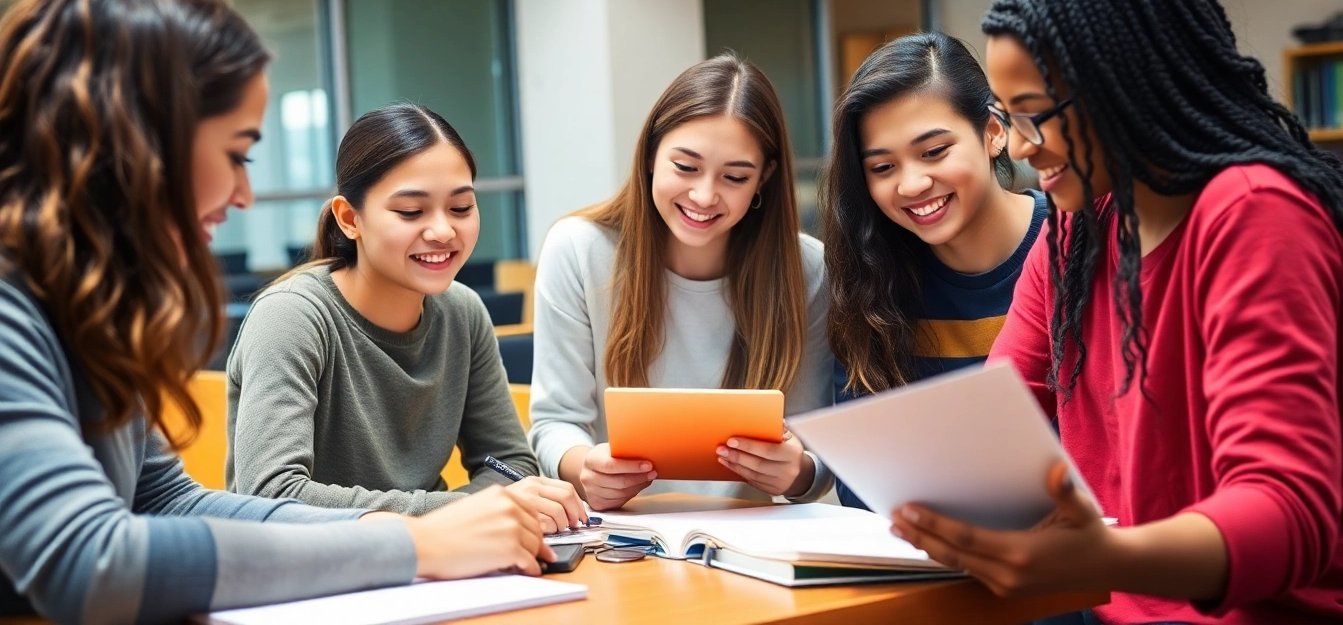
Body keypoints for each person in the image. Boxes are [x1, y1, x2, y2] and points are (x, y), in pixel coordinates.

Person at [0, 0, 556, 625]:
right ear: (142, 144)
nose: (244, 193)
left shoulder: (85, 305)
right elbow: (90, 565)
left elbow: (164, 498)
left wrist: (414, 537)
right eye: (236, 153)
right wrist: (412, 541)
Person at [889, 0, 1343, 623]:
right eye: (1008, 120)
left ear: (1124, 86)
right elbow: (998, 414)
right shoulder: (1078, 223)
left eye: (1036, 117)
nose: (1019, 148)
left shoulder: (1253, 213)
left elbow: (1287, 508)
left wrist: (1108, 556)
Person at [226, 104, 583, 528]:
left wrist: (471, 511)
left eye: (461, 207)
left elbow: (508, 463)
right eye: (411, 212)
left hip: (438, 561)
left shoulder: (462, 312)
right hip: (315, 573)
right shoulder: (291, 317)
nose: (443, 231)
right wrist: (460, 511)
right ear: (349, 219)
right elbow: (270, 493)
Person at [528, 54, 834, 510]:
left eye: (735, 177)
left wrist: (798, 473)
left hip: (754, 537)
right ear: (651, 155)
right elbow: (555, 421)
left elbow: (815, 441)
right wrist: (583, 466)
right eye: (686, 167)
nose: (705, 195)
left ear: (764, 178)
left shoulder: (806, 268)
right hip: (622, 534)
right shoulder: (577, 249)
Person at [821, 31, 1046, 511]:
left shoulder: (1074, 245)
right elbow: (861, 486)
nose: (913, 183)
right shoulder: (871, 279)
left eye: (934, 152)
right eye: (882, 168)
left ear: (993, 132)